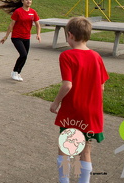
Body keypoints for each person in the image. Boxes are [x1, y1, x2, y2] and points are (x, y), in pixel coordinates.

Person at [50, 17, 109, 183]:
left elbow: (67, 85)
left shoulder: (66, 56)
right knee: (86, 150)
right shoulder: (97, 56)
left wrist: (56, 103)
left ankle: (64, 181)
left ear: (70, 35)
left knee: (65, 148)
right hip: (90, 112)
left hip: (73, 110)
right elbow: (102, 86)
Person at [0, 0, 41, 81]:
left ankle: (18, 73)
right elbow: (11, 25)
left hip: (27, 37)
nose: (28, 1)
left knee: (25, 56)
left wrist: (38, 34)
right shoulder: (18, 11)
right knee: (23, 54)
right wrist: (6, 36)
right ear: (22, 1)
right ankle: (14, 71)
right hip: (16, 37)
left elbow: (37, 24)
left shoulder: (33, 12)